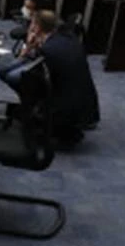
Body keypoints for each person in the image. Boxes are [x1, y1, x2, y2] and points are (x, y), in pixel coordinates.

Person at [35, 10, 101, 145]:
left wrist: (31, 47)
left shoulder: (48, 49)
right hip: (88, 108)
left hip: (66, 111)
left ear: (38, 27)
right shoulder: (71, 39)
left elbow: (32, 77)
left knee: (29, 83)